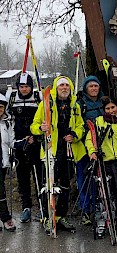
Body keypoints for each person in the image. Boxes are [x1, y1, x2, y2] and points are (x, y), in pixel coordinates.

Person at [30, 76, 86, 234]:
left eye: (67, 86)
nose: (64, 88)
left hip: (67, 150)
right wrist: (41, 128)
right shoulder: (46, 104)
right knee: (48, 186)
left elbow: (81, 126)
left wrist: (75, 135)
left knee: (65, 186)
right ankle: (48, 217)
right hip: (50, 150)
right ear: (56, 87)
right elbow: (33, 125)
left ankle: (61, 216)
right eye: (61, 85)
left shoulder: (75, 105)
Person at [86, 96, 117, 238]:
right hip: (103, 161)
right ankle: (102, 220)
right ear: (104, 110)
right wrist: (92, 152)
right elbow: (90, 138)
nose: (111, 111)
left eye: (113, 107)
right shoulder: (99, 122)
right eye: (108, 108)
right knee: (103, 193)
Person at [6, 73, 42, 223]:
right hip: (20, 144)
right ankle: (26, 207)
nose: (24, 89)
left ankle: (42, 207)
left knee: (40, 176)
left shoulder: (37, 97)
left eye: (27, 86)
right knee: (22, 177)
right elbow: (8, 118)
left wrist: (37, 136)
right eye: (22, 87)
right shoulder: (13, 98)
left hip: (36, 142)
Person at [76, 75, 104, 225]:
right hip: (84, 146)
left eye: (96, 86)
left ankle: (98, 207)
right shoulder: (81, 104)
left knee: (100, 179)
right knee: (84, 178)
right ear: (86, 88)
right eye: (91, 86)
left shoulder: (104, 103)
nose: (94, 88)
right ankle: (85, 210)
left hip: (102, 146)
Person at [0, 94, 16, 231]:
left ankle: (5, 217)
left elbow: (11, 142)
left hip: (2, 162)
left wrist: (22, 143)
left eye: (1, 107)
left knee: (1, 190)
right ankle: (5, 217)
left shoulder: (7, 123)